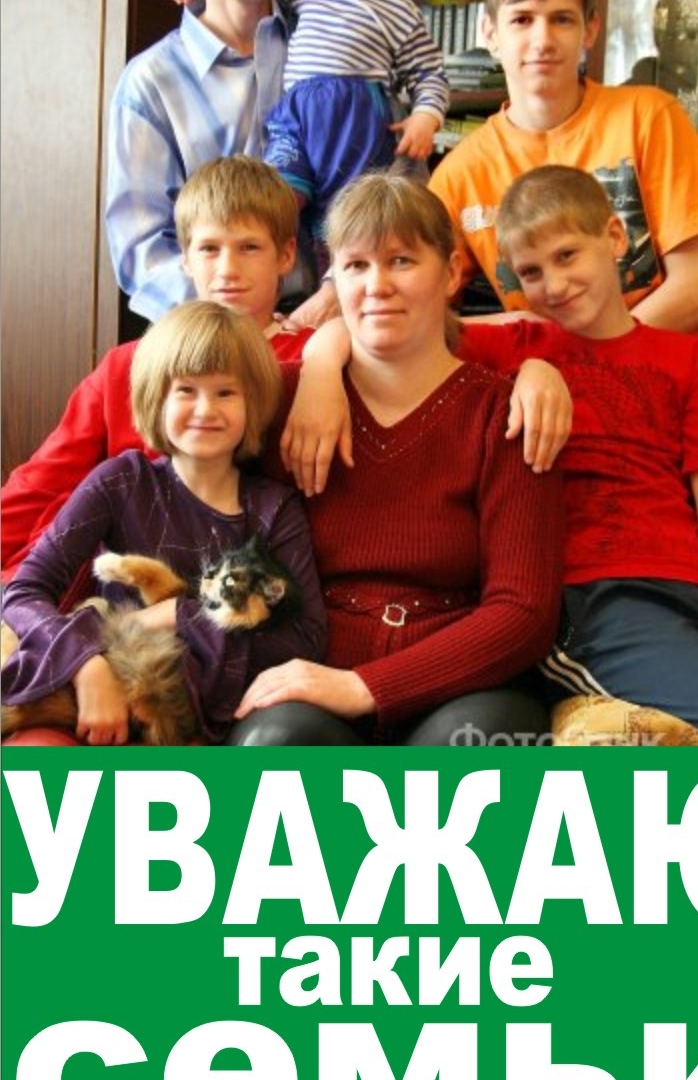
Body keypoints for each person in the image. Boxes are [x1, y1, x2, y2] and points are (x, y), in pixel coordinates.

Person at [428, 0, 698, 624]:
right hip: (609, 440)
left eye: (562, 19)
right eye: (522, 20)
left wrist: (574, 355)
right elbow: (414, 298)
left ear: (590, 30)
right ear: (489, 33)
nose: (542, 40)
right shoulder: (460, 172)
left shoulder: (648, 116)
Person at [228, 173, 565, 747]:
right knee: (275, 743)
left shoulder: (506, 413)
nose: (376, 285)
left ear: (451, 272)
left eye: (401, 261)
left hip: (465, 681)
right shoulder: (280, 398)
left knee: (475, 749)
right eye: (356, 266)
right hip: (310, 669)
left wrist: (365, 686)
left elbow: (524, 612)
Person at [458, 166, 698, 747]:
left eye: (567, 255)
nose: (554, 284)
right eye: (531, 272)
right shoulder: (512, 349)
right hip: (595, 601)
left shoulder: (693, 361)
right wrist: (322, 373)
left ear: (615, 237)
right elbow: (385, 329)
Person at [1, 302, 326, 746]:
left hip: (195, 721)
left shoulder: (274, 508)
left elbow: (305, 640)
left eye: (225, 393)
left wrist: (175, 614)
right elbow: (24, 592)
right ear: (157, 399)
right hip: (95, 696)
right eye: (186, 390)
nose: (205, 409)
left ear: (254, 404)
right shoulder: (121, 481)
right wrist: (86, 665)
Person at [2, 157, 314, 583]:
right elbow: (43, 480)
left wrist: (328, 357)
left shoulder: (309, 362)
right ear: (185, 258)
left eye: (249, 247)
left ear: (286, 255)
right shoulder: (126, 365)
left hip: (225, 585)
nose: (227, 269)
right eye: (209, 249)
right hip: (87, 576)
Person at [169, 0, 449, 280]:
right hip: (296, 119)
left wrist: (427, 116)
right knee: (276, 202)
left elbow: (429, 72)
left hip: (355, 118)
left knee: (353, 211)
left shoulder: (399, 10)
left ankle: (339, 281)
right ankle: (256, 274)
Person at [106, 0, 299, 322]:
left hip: (333, 328)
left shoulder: (326, 42)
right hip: (209, 337)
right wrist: (238, 324)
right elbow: (142, 251)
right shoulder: (151, 82)